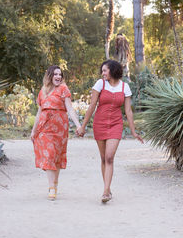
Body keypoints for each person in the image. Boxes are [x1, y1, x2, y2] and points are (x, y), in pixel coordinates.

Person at [77, 60, 143, 203]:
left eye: (105, 70)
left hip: (115, 124)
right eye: (102, 71)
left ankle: (106, 192)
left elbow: (128, 111)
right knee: (103, 158)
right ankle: (108, 188)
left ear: (112, 71)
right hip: (99, 124)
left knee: (109, 157)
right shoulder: (100, 84)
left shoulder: (125, 87)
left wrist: (133, 131)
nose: (103, 73)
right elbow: (92, 106)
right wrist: (82, 126)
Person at [31, 65, 81, 200]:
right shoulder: (43, 91)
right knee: (49, 154)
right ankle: (51, 187)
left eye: (60, 74)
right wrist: (33, 130)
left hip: (60, 128)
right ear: (50, 76)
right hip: (44, 128)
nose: (58, 77)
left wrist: (78, 126)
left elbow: (70, 109)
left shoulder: (64, 89)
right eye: (55, 74)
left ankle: (55, 183)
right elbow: (39, 111)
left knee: (56, 157)